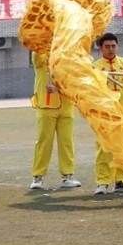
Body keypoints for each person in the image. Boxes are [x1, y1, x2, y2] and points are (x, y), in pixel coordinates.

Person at [28, 50, 81, 191]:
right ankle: (37, 177)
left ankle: (68, 175)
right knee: (44, 141)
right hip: (46, 107)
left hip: (66, 105)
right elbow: (36, 52)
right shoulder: (40, 57)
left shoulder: (67, 58)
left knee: (66, 142)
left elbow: (73, 82)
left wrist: (59, 88)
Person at [91, 33, 123, 195]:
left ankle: (121, 181)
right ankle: (102, 182)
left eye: (113, 46)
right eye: (107, 46)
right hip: (104, 114)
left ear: (117, 46)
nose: (110, 49)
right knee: (104, 148)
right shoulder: (94, 68)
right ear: (101, 48)